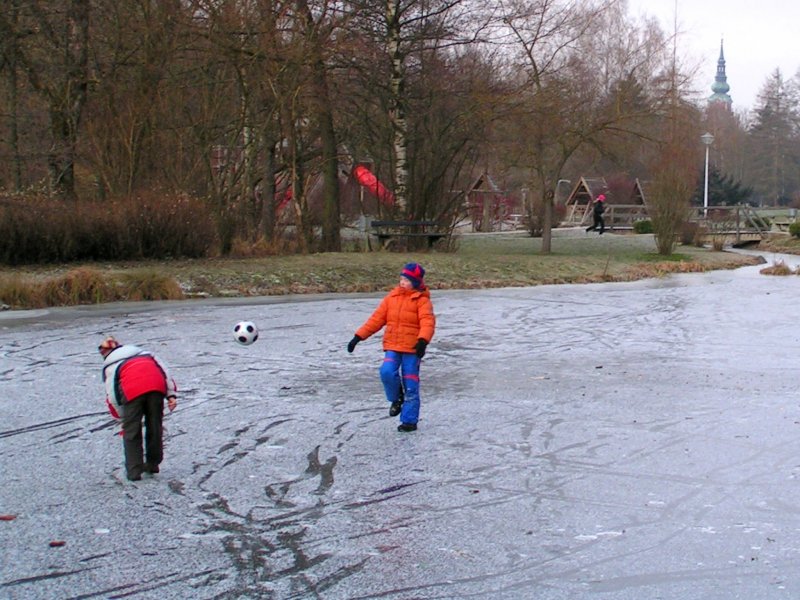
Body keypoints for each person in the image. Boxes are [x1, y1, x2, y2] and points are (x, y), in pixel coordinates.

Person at [347, 263, 435, 432]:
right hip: (393, 346)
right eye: (401, 279)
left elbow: (427, 322)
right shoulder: (391, 298)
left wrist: (422, 341)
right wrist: (358, 337)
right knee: (386, 371)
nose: (402, 282)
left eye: (407, 280)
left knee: (411, 384)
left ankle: (409, 421)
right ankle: (396, 398)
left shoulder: (422, 301)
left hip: (412, 348)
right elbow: (376, 319)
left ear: (415, 283)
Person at [99, 336, 178, 481]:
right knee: (155, 426)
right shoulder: (146, 354)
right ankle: (153, 464)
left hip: (132, 392)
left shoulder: (111, 365)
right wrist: (171, 395)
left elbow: (113, 395)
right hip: (156, 387)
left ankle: (134, 471)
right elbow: (164, 372)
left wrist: (121, 418)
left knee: (132, 432)